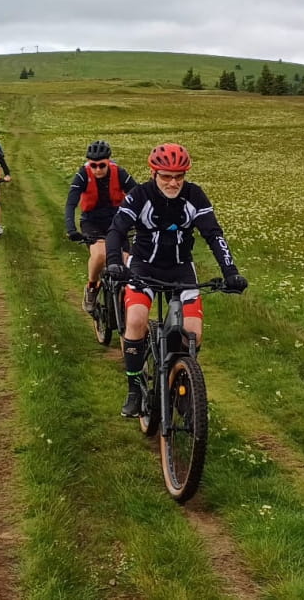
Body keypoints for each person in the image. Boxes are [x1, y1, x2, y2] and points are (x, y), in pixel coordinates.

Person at [105, 143, 247, 417]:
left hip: (181, 269)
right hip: (143, 268)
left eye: (179, 176)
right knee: (135, 320)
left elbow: (214, 235)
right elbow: (116, 229)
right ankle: (134, 389)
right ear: (154, 173)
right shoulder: (140, 195)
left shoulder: (195, 196)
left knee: (192, 332)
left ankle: (180, 379)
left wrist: (231, 272)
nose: (173, 182)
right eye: (167, 176)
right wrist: (113, 262)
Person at [65, 140, 138, 312]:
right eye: (94, 165)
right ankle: (91, 287)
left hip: (118, 220)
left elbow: (138, 195)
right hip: (92, 221)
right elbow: (71, 203)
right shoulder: (83, 174)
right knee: (99, 255)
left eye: (102, 165)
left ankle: (126, 304)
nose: (97, 169)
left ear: (109, 162)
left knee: (126, 262)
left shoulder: (119, 173)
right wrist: (71, 228)